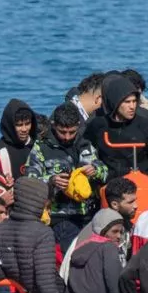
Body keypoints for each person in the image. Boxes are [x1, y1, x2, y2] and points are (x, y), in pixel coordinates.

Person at [28, 102, 110, 251]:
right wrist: (51, 181)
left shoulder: (85, 145)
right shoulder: (41, 148)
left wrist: (95, 170)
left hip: (87, 214)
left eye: (72, 132)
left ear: (78, 126)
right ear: (54, 125)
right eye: (62, 132)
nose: (67, 137)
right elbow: (30, 182)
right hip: (57, 216)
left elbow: (104, 171)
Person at [84, 73, 148, 178]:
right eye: (127, 102)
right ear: (115, 102)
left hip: (141, 182)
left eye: (134, 101)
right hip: (109, 182)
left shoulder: (146, 126)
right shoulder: (98, 125)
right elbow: (84, 151)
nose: (132, 106)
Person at [0, 99, 37, 181]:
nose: (24, 129)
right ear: (9, 126)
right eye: (19, 125)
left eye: (27, 124)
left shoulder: (39, 145)